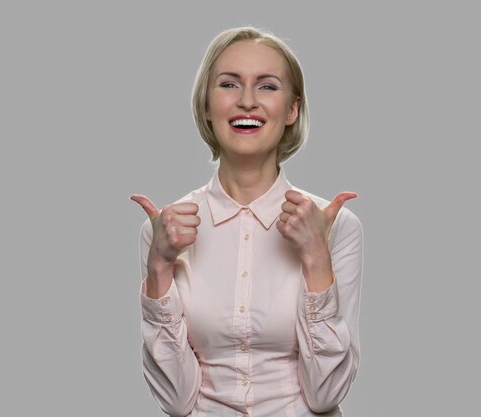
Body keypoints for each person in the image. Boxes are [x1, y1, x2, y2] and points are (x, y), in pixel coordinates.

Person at [131, 26, 364, 417]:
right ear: (206, 105)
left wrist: (315, 256)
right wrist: (159, 266)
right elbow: (175, 401)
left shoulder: (336, 226)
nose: (247, 102)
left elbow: (326, 395)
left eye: (268, 86)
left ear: (292, 109)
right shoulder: (164, 233)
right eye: (229, 84)